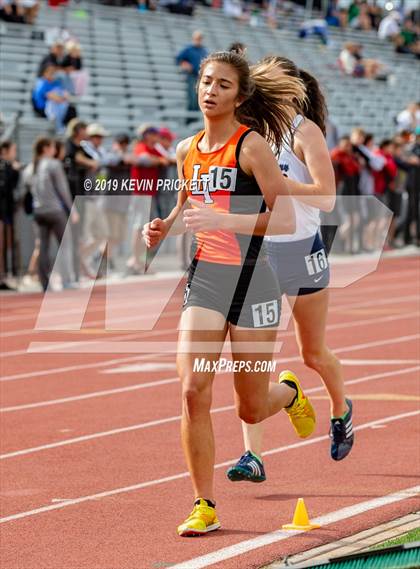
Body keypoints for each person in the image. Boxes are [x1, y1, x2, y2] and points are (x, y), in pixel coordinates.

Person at [143, 50, 315, 536]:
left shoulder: (252, 146)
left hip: (254, 278)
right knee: (192, 390)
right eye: (205, 81)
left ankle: (288, 393)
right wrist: (162, 229)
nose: (210, 90)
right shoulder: (186, 149)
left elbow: (283, 217)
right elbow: (185, 210)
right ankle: (205, 504)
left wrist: (228, 220)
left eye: (222, 83)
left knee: (249, 406)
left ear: (239, 95)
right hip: (207, 278)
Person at [226, 57, 354, 486]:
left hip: (301, 250)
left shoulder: (305, 131)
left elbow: (327, 197)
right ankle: (253, 455)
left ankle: (340, 410)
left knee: (312, 354)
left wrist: (279, 186)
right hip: (258, 252)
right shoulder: (247, 132)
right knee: (253, 360)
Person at [31, 136, 79, 291]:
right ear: (46, 148)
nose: (55, 150)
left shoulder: (32, 166)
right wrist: (72, 209)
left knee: (43, 247)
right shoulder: (53, 164)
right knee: (64, 245)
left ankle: (45, 284)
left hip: (38, 211)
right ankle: (66, 281)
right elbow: (63, 189)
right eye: (52, 147)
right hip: (54, 210)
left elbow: (25, 189)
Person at [176, 31, 208, 120]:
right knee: (192, 98)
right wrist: (185, 64)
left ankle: (196, 119)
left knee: (200, 98)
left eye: (200, 39)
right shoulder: (188, 48)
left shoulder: (204, 50)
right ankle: (190, 120)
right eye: (197, 38)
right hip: (192, 75)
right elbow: (179, 58)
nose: (199, 40)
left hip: (201, 77)